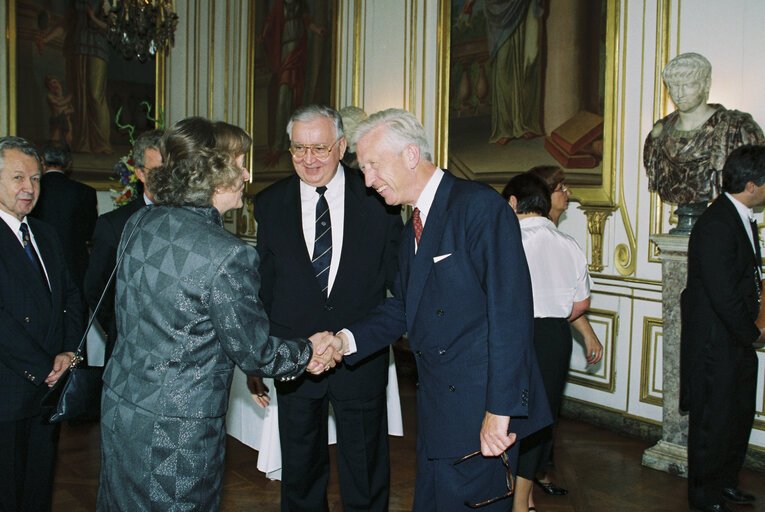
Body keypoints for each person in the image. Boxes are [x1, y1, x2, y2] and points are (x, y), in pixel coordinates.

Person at [96, 117, 342, 510]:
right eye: (240, 163)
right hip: (176, 433)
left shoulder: (140, 221)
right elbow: (255, 353)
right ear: (211, 171)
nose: (247, 174)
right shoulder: (227, 254)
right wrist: (308, 351)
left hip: (121, 410)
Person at [331, 108, 551, 511]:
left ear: (411, 155)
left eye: (373, 166)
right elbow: (403, 306)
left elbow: (510, 315)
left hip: (482, 412)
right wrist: (344, 341)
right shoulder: (412, 222)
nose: (367, 181)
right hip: (438, 411)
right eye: (363, 169)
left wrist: (499, 412)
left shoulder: (478, 207)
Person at [252, 104, 402, 511]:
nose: (309, 159)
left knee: (367, 468)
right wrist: (258, 358)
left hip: (360, 355)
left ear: (341, 146)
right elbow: (264, 288)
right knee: (299, 471)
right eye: (298, 149)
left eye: (319, 148)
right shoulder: (269, 203)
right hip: (296, 357)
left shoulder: (379, 199)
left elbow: (400, 285)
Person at [502, 172, 602, 512]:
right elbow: (579, 306)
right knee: (540, 421)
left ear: (512, 203)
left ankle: (510, 498)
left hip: (512, 334)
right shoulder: (568, 244)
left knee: (502, 414)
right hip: (554, 337)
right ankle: (523, 501)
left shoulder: (505, 240)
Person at [0, 136, 84, 511]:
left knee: (39, 484)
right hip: (9, 388)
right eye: (18, 178)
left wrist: (70, 351)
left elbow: (70, 297)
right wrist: (41, 368)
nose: (29, 188)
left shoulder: (45, 234)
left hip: (49, 390)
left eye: (35, 179)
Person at [681, 145, 765, 512]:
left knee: (736, 418)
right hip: (717, 344)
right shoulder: (716, 223)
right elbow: (722, 294)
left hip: (736, 341)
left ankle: (726, 483)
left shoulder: (741, 216)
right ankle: (704, 497)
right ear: (752, 185)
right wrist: (753, 333)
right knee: (712, 424)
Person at [644, 52, 764, 205]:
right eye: (674, 86)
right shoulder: (659, 134)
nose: (679, 94)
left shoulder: (735, 128)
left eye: (687, 85)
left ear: (706, 84)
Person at [84, 129, 163, 361]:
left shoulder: (194, 221)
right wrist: (123, 328)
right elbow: (96, 288)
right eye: (159, 171)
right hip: (128, 354)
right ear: (140, 173)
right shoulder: (114, 225)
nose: (169, 179)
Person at [31, 140, 97, 293]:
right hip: (76, 269)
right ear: (69, 163)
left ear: (42, 161)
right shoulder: (85, 192)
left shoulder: (33, 191)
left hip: (40, 267)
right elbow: (90, 233)